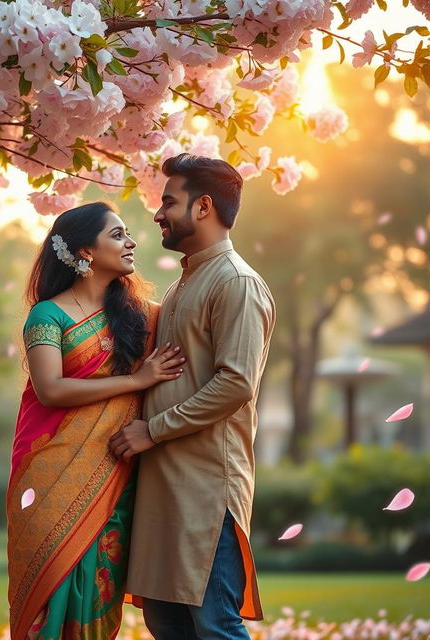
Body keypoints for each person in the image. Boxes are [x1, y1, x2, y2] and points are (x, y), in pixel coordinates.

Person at [110, 154, 276, 639]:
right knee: (167, 624)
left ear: (203, 207)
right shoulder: (188, 281)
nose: (158, 213)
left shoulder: (236, 283)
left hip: (206, 492)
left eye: (169, 201)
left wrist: (152, 431)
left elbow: (236, 383)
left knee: (214, 626)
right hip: (165, 487)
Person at [6, 201, 185, 640]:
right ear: (86, 251)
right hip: (49, 474)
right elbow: (51, 389)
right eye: (118, 234)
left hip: (114, 474)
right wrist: (137, 381)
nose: (131, 242)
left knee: (98, 588)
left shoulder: (142, 315)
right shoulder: (47, 315)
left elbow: (194, 324)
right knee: (52, 594)